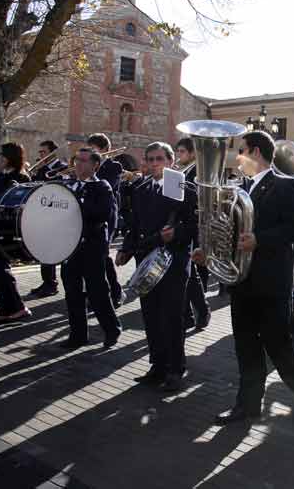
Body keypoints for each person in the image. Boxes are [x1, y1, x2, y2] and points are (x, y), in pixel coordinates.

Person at [205, 131, 294, 424]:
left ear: (253, 151)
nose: (237, 157)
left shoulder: (285, 185)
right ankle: (248, 406)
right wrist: (211, 251)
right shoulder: (238, 189)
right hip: (242, 280)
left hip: (271, 282)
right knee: (245, 346)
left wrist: (260, 239)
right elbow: (229, 229)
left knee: (278, 345)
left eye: (240, 151)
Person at [116, 142, 197, 392]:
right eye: (150, 159)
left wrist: (177, 233)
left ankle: (175, 369)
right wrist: (125, 250)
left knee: (172, 317)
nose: (154, 164)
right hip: (146, 260)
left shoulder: (183, 186)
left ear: (171, 161)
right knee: (150, 315)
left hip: (174, 261)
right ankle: (157, 365)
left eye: (159, 159)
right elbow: (135, 225)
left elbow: (195, 224)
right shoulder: (141, 187)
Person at [60, 148, 122, 349]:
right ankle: (78, 335)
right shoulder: (68, 185)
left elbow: (103, 213)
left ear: (95, 165)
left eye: (84, 160)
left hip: (92, 247)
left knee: (98, 292)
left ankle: (112, 329)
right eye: (77, 159)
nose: (78, 163)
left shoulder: (102, 186)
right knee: (72, 292)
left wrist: (76, 203)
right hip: (70, 246)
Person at [0, 143, 32, 323]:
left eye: (3, 155)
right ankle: (7, 307)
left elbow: (21, 202)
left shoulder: (21, 177)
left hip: (8, 228)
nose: (0, 158)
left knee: (1, 269)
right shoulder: (3, 174)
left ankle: (15, 308)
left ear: (11, 156)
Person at [175, 137, 210, 330]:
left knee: (190, 274)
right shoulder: (181, 170)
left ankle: (201, 311)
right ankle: (187, 315)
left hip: (194, 226)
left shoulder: (199, 172)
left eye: (181, 152)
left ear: (192, 153)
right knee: (185, 275)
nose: (178, 155)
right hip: (179, 226)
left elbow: (199, 197)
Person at [28, 140, 68, 298]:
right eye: (40, 152)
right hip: (43, 212)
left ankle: (53, 284)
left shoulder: (63, 168)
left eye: (43, 152)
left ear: (52, 153)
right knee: (43, 250)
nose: (41, 155)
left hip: (57, 214)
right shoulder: (41, 169)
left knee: (51, 250)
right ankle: (48, 282)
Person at [88, 133, 123, 308]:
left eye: (93, 149)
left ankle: (115, 292)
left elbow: (107, 185)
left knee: (102, 253)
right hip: (91, 214)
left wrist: (90, 172)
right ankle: (98, 291)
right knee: (95, 254)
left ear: (104, 150)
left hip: (108, 215)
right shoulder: (89, 165)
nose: (90, 152)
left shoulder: (114, 166)